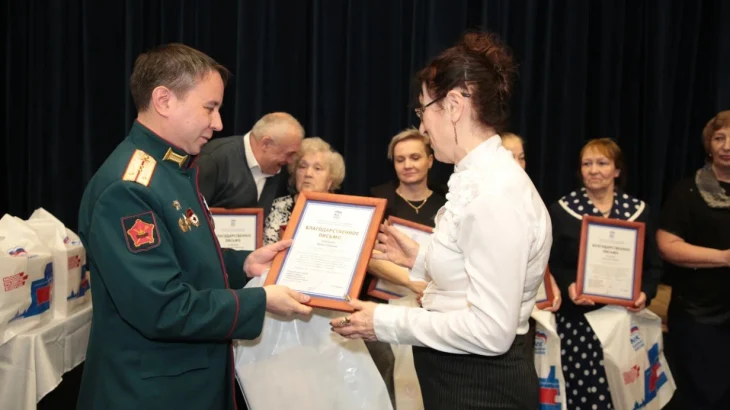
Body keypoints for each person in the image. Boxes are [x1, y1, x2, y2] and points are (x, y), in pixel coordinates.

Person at [76, 43, 312, 410]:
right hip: (152, 394)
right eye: (210, 107)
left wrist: (245, 264)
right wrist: (261, 300)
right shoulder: (128, 189)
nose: (218, 124)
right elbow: (163, 308)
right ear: (164, 101)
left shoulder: (172, 169)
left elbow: (186, 257)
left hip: (187, 381)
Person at [331, 31, 552, 409]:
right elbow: (471, 266)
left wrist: (383, 322)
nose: (422, 128)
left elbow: (490, 332)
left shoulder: (494, 194)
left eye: (422, 111)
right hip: (462, 379)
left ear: (453, 105)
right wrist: (419, 256)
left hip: (481, 389)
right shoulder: (479, 178)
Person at [548, 138, 662, 410]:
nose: (594, 170)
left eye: (602, 163)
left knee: (623, 396)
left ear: (617, 170)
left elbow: (654, 266)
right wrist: (569, 285)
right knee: (579, 394)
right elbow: (551, 264)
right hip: (578, 322)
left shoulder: (639, 212)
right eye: (587, 164)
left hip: (624, 322)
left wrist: (645, 293)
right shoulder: (561, 210)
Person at [366, 128, 448, 407]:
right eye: (400, 160)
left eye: (415, 157)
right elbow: (369, 257)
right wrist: (411, 283)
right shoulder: (379, 201)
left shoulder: (448, 204)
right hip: (385, 309)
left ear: (430, 160)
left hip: (436, 311)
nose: (407, 165)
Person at [656, 110, 730, 409]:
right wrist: (724, 258)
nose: (727, 146)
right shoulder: (687, 191)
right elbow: (667, 246)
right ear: (709, 146)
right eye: (719, 138)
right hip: (698, 317)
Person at [197, 112, 304, 217]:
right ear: (266, 144)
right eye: (289, 154)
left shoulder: (282, 171)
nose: (291, 161)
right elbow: (193, 213)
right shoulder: (214, 159)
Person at [262, 137, 345, 245]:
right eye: (302, 167)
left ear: (330, 179)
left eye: (317, 168)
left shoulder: (344, 211)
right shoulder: (277, 207)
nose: (308, 174)